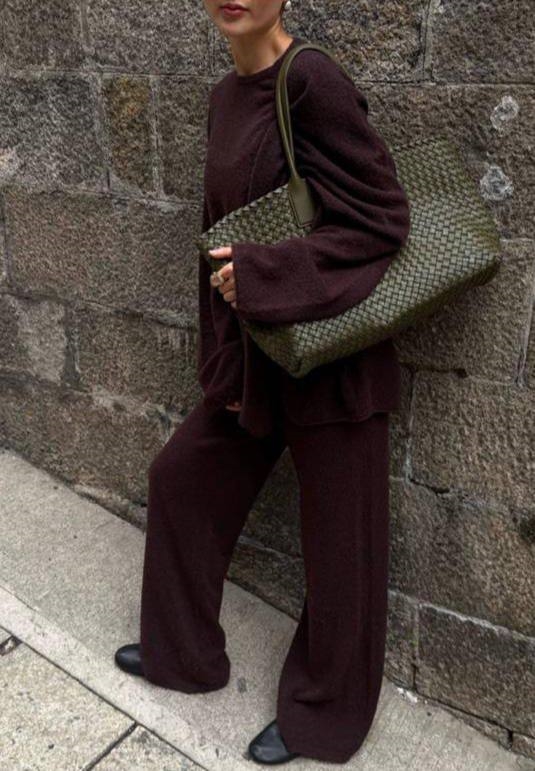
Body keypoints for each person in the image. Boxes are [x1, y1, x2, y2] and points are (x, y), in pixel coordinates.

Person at [115, 0, 411, 765]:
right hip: (259, 360)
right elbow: (216, 237)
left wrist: (265, 274)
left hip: (333, 358)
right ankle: (183, 653)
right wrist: (222, 356)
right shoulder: (224, 97)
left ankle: (321, 716)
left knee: (341, 548)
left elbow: (382, 220)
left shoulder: (311, 81)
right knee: (180, 477)